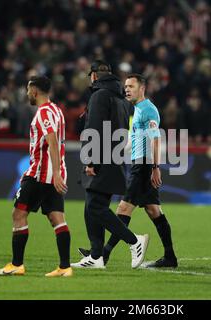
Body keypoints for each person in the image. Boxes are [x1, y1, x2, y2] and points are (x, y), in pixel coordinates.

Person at [78, 74, 178, 268]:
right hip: (139, 164)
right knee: (154, 210)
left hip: (143, 166)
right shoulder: (137, 109)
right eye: (126, 86)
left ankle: (104, 253)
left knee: (123, 209)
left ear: (142, 88)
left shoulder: (148, 109)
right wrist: (114, 152)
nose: (127, 89)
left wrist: (156, 167)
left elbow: (155, 139)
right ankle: (170, 256)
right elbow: (134, 140)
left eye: (131, 86)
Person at [71, 61, 149, 269]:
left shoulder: (99, 96)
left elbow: (94, 129)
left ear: (94, 76)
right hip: (114, 157)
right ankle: (96, 256)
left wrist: (91, 160)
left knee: (95, 208)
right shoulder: (122, 100)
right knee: (92, 207)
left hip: (101, 159)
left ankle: (134, 240)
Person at [0, 76, 72, 277]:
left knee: (18, 214)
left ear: (35, 91)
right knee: (57, 218)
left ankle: (17, 264)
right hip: (53, 173)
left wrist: (54, 172)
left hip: (40, 174)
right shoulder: (57, 110)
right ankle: (65, 267)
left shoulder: (44, 113)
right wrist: (57, 173)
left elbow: (52, 140)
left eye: (29, 90)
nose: (27, 93)